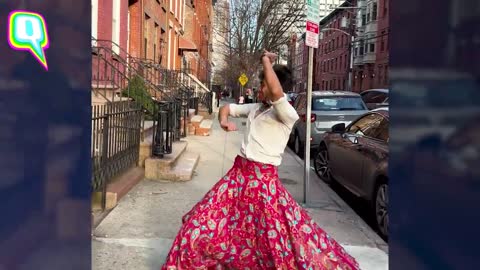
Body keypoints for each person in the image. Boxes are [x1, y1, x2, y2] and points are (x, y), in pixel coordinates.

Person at [161, 50, 360, 269]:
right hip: (237, 177)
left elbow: (275, 92)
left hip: (263, 184)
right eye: (261, 84)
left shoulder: (287, 114)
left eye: (263, 84)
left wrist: (265, 61)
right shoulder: (255, 108)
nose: (260, 89)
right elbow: (226, 108)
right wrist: (225, 121)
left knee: (272, 241)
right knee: (200, 222)